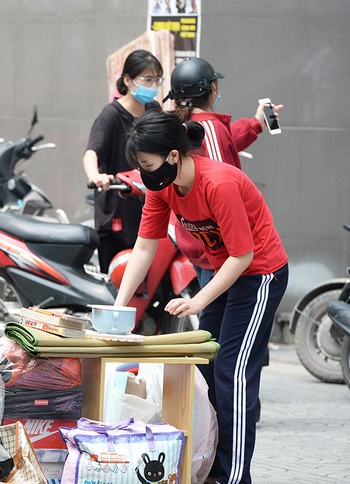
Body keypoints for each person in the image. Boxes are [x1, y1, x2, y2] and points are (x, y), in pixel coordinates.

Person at [115, 110, 288, 484]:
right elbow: (145, 247)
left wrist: (197, 301)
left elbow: (243, 256)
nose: (145, 173)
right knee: (206, 367)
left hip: (260, 275)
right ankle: (209, 468)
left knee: (232, 373)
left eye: (148, 164)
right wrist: (118, 305)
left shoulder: (218, 183)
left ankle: (233, 476)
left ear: (174, 156)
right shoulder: (162, 187)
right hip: (223, 274)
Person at [162, 57, 283, 288]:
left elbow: (220, 144)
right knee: (221, 321)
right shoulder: (209, 127)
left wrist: (255, 123)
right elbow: (219, 181)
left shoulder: (183, 126)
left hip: (197, 241)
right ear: (213, 88)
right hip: (219, 252)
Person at [83, 49, 163, 274]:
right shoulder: (111, 115)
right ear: (127, 80)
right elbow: (91, 153)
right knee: (115, 278)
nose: (153, 84)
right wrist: (95, 176)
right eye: (148, 79)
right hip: (117, 210)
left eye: (157, 79)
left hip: (148, 208)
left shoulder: (154, 110)